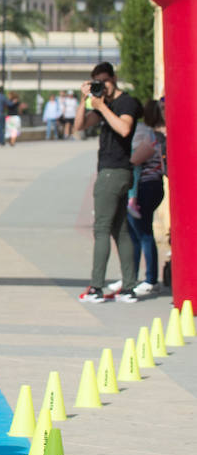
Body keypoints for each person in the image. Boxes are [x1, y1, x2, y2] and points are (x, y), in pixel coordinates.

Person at [74, 62, 141, 303]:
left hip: (114, 172)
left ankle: (96, 288)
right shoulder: (105, 103)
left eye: (106, 80)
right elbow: (79, 127)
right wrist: (85, 99)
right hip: (116, 172)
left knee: (101, 229)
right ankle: (129, 287)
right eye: (98, 82)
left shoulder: (126, 103)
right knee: (120, 230)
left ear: (114, 78)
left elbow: (124, 129)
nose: (104, 85)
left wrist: (102, 106)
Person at [106, 99, 165, 298]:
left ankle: (150, 279)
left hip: (146, 188)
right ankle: (131, 276)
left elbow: (135, 159)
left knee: (143, 233)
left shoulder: (150, 136)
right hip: (147, 187)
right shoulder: (155, 135)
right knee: (133, 234)